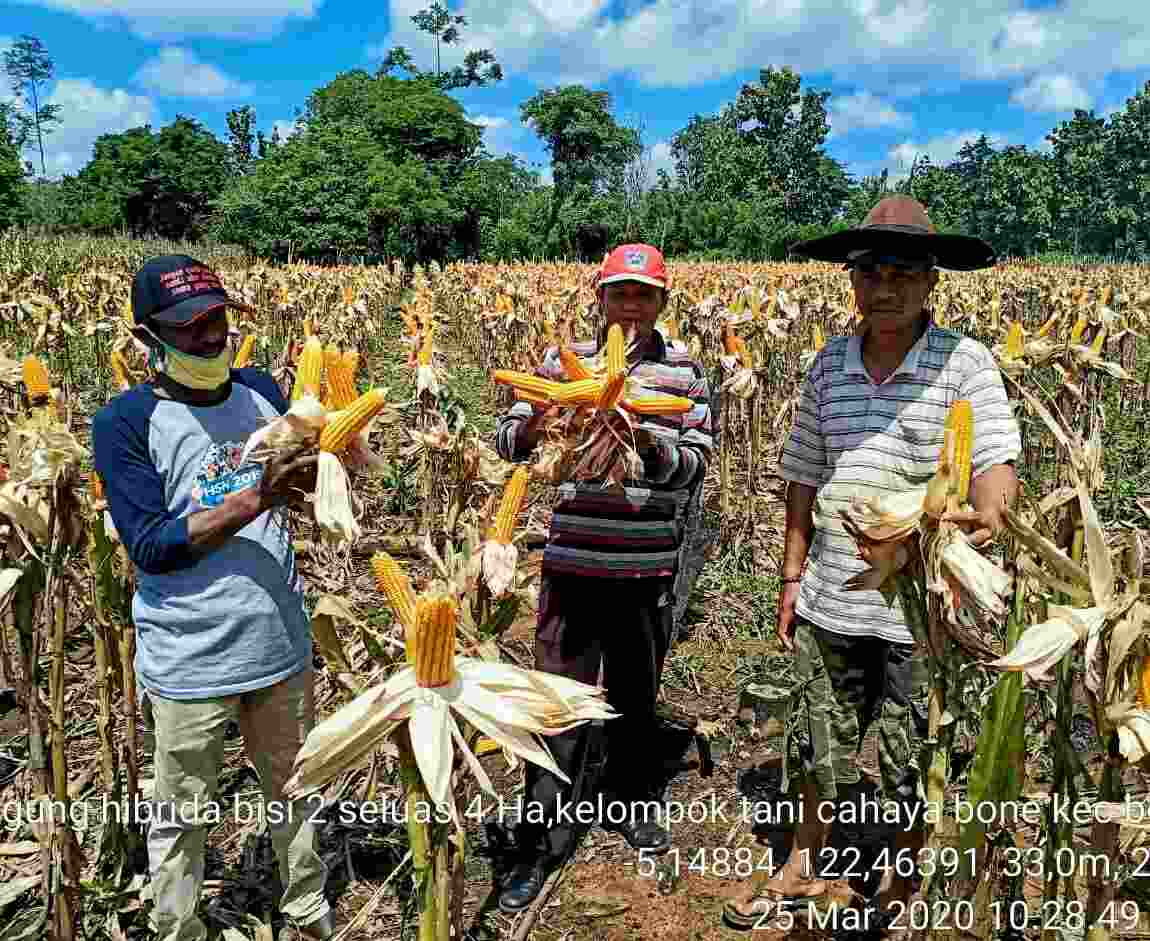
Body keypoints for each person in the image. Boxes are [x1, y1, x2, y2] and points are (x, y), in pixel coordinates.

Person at [722, 198, 1022, 933]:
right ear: (851, 280)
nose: (885, 284)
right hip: (830, 594)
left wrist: (982, 513)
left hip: (922, 605)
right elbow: (802, 476)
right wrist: (790, 577)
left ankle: (901, 868)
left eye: (904, 270)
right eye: (870, 270)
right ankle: (802, 858)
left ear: (931, 282)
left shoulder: (966, 362)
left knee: (916, 743)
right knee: (814, 740)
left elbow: (995, 472)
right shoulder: (828, 363)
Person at [91, 256, 333, 941]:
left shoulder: (260, 390)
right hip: (191, 661)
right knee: (181, 814)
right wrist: (257, 496)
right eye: (190, 328)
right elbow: (152, 543)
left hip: (279, 645)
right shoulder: (125, 422)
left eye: (217, 320)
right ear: (148, 340)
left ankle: (308, 911)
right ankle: (179, 927)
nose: (208, 337)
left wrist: (333, 462)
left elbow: (306, 480)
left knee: (297, 794)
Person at [493, 243, 715, 912]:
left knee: (635, 696)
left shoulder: (684, 375)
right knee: (553, 701)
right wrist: (542, 417)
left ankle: (633, 802)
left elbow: (697, 463)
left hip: (646, 565)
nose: (630, 305)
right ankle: (538, 838)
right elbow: (509, 445)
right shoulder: (564, 364)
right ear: (600, 296)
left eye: (643, 294)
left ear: (662, 303)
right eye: (619, 292)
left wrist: (644, 441)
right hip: (571, 562)